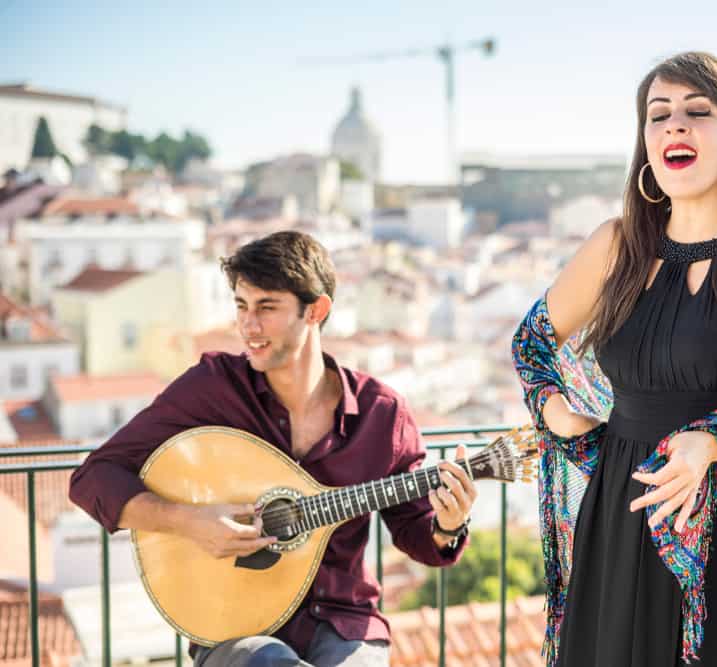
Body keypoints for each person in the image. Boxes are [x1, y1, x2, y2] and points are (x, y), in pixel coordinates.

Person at [512, 52, 717, 666]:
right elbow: (530, 343)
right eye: (657, 115)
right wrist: (556, 412)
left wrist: (713, 441)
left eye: (698, 111)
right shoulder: (616, 246)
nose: (674, 127)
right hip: (619, 506)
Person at [69, 230, 477, 667]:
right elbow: (93, 478)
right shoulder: (213, 389)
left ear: (316, 310)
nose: (249, 325)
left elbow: (419, 536)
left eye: (267, 308)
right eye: (242, 307)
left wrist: (448, 526)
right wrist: (189, 521)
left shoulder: (383, 415)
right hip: (233, 624)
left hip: (342, 622)